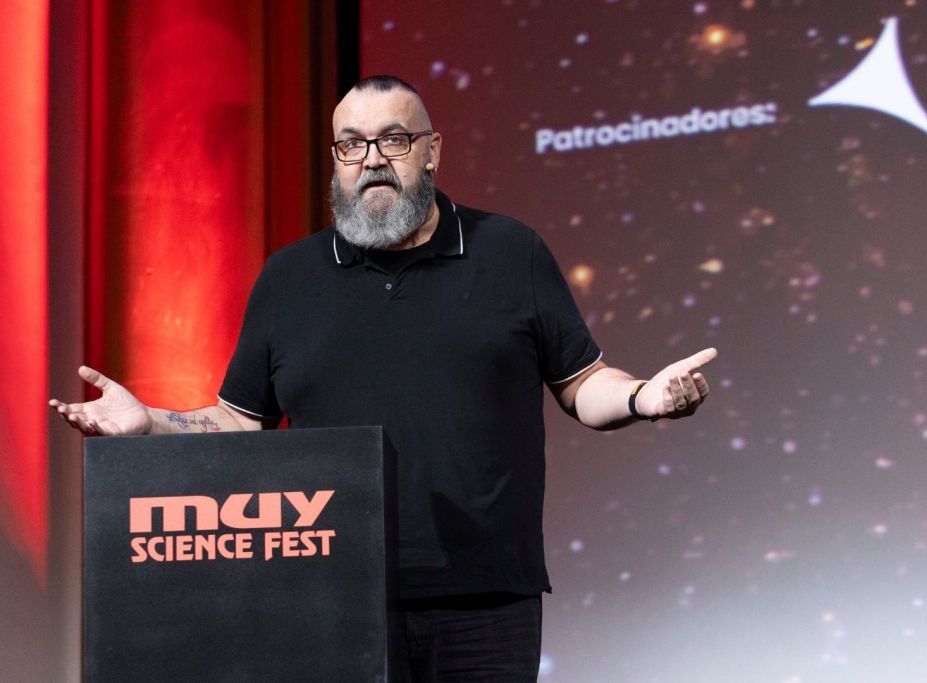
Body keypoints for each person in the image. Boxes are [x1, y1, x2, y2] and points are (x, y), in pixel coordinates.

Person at [50, 75, 716, 682]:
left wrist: (643, 396)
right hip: (330, 595)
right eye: (350, 144)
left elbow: (582, 383)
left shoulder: (511, 252)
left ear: (431, 151)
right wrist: (151, 423)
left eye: (393, 139)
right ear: (336, 161)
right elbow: (238, 421)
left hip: (484, 597)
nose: (371, 158)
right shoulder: (289, 279)